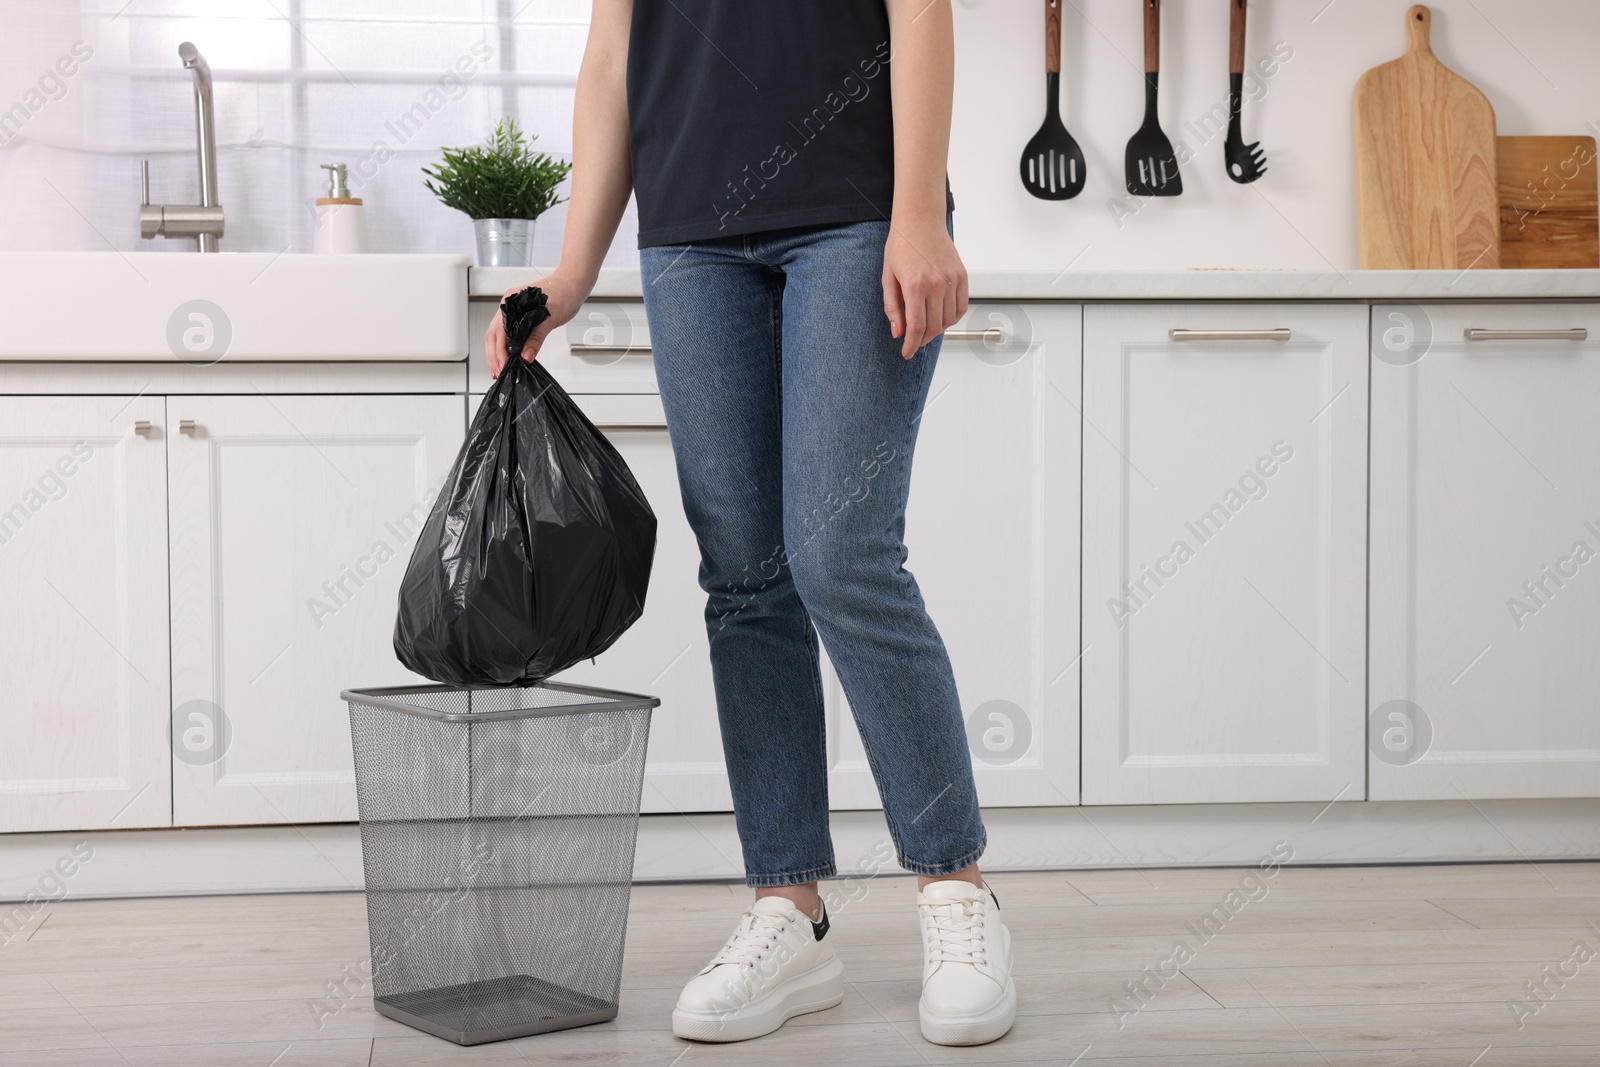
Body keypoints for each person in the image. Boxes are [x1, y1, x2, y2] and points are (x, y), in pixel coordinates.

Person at [484, 0, 1013, 1047]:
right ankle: (790, 905)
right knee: (744, 581)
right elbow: (609, 57)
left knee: (843, 557)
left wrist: (918, 215)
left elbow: (920, 11)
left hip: (857, 212)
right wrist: (575, 269)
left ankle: (956, 891)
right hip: (690, 232)